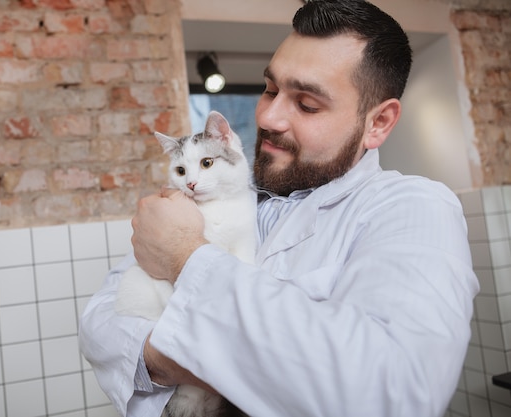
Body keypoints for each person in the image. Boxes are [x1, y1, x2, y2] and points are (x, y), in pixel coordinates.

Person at [79, 0, 479, 416]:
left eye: (307, 104)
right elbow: (99, 326)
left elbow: (392, 394)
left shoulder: (414, 208)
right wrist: (207, 363)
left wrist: (185, 256)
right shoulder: (224, 197)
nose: (268, 116)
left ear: (377, 123)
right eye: (269, 89)